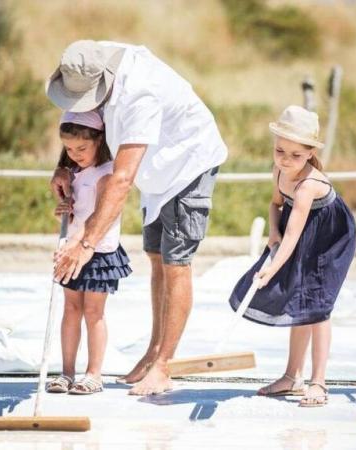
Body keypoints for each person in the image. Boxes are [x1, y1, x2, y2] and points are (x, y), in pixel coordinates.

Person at [46, 40, 227, 395]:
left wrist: (85, 244)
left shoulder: (138, 94)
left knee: (177, 263)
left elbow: (122, 179)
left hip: (187, 164)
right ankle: (152, 354)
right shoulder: (94, 58)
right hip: (156, 172)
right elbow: (84, 129)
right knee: (156, 258)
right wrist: (64, 166)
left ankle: (163, 366)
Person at [228, 105, 356, 407]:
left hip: (328, 240)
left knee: (318, 307)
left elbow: (295, 234)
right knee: (298, 301)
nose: (286, 160)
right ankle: (291, 376)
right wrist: (273, 232)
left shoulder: (309, 185)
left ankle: (319, 382)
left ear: (310, 153)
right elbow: (275, 205)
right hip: (295, 232)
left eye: (296, 155)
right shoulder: (279, 171)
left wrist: (271, 271)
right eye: (280, 151)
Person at [45, 110, 131, 395]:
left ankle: (94, 374)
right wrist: (65, 208)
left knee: (93, 312)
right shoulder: (76, 172)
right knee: (70, 310)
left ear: (99, 140)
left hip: (98, 253)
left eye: (82, 148)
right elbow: (79, 213)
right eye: (69, 149)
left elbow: (98, 217)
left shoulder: (107, 174)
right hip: (73, 250)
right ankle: (66, 372)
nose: (75, 154)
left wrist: (76, 241)